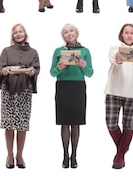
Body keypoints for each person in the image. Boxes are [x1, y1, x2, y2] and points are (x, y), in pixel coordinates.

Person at [50, 23, 93, 169]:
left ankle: (74, 155)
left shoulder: (85, 51)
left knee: (76, 123)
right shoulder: (58, 51)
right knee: (64, 122)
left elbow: (90, 73)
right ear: (63, 36)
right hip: (63, 86)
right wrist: (59, 68)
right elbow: (52, 73)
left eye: (72, 30)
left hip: (78, 86)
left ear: (76, 33)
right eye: (66, 32)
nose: (69, 33)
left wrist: (83, 65)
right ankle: (64, 155)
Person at [0, 24, 40, 169]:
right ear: (12, 36)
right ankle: (9, 155)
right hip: (8, 89)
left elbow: (36, 69)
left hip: (24, 90)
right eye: (15, 32)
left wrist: (32, 72)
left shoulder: (33, 52)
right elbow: (1, 68)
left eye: (20, 31)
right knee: (9, 124)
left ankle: (20, 155)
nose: (18, 34)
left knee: (22, 125)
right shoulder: (6, 51)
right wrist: (5, 70)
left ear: (25, 34)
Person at [104, 24, 133, 169]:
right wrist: (119, 59)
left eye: (131, 33)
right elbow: (114, 61)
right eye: (126, 33)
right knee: (111, 123)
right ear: (121, 35)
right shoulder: (114, 49)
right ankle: (122, 148)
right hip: (114, 90)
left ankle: (119, 156)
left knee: (128, 124)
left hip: (132, 91)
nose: (129, 35)